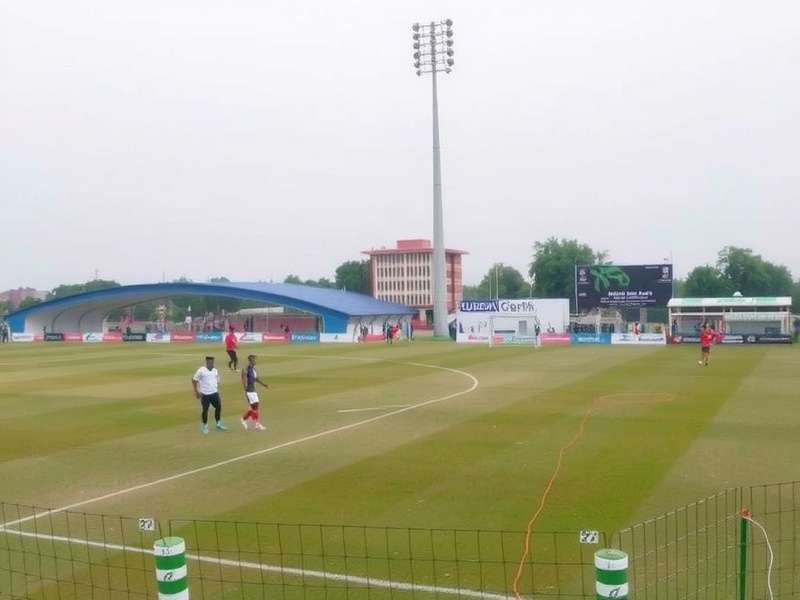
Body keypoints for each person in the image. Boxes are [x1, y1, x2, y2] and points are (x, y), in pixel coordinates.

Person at [192, 356, 228, 435]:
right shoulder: (201, 370)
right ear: (207, 362)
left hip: (214, 393)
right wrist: (196, 391)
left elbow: (217, 378)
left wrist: (216, 384)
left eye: (213, 362)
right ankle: (205, 426)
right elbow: (194, 380)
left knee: (218, 407)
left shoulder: (215, 370)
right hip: (205, 394)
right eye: (210, 362)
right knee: (205, 410)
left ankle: (218, 424)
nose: (212, 363)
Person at [240, 354, 268, 431]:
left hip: (253, 390)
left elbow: (256, 379)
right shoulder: (246, 368)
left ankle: (243, 419)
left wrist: (263, 384)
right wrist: (245, 388)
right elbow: (243, 377)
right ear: (250, 360)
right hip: (249, 390)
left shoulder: (253, 368)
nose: (255, 361)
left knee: (253, 407)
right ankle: (257, 424)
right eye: (254, 359)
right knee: (255, 405)